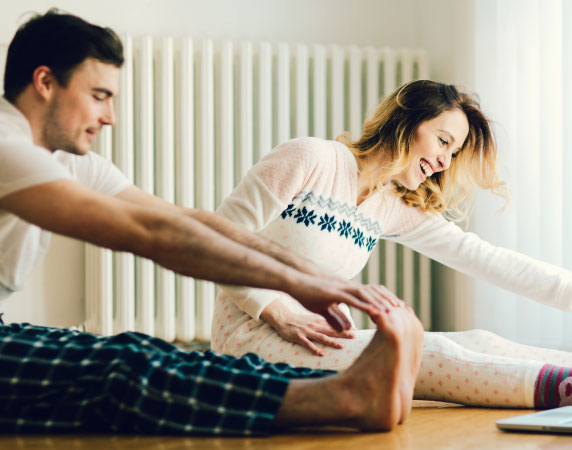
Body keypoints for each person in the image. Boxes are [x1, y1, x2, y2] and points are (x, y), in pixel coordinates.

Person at [0, 10, 424, 434]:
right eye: (98, 95)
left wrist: (312, 274)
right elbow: (153, 235)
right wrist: (297, 285)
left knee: (140, 349)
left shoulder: (62, 160)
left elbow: (186, 220)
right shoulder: (7, 146)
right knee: (122, 371)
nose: (110, 116)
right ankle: (347, 397)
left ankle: (344, 385)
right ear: (45, 82)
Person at [212, 79, 572, 410]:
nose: (444, 161)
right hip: (250, 338)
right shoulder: (311, 159)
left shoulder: (391, 205)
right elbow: (216, 241)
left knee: (480, 340)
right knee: (430, 353)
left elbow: (486, 259)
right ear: (407, 119)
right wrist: (275, 309)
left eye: (453, 153)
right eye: (443, 141)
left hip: (320, 338)